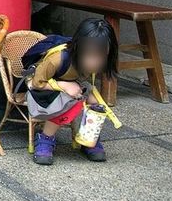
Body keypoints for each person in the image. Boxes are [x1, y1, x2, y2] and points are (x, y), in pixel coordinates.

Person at [26, 18, 119, 165]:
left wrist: (72, 87)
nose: (94, 62)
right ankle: (45, 137)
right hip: (42, 92)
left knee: (95, 102)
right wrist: (64, 86)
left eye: (100, 56)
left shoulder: (95, 63)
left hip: (72, 86)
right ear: (77, 48)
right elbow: (34, 83)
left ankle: (88, 138)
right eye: (89, 55)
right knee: (72, 101)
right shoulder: (58, 59)